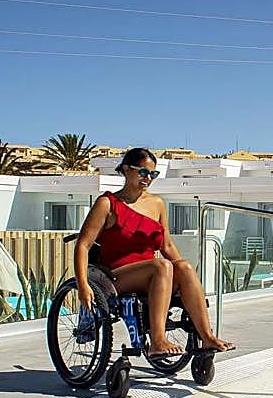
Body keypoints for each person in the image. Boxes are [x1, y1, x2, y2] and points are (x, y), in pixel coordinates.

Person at [74, 147, 233, 358]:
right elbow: (83, 245)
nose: (148, 178)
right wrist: (82, 285)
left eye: (153, 174)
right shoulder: (107, 204)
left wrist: (184, 274)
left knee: (182, 266)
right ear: (126, 169)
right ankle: (157, 341)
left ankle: (207, 338)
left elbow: (166, 246)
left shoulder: (157, 203)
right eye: (143, 172)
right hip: (115, 277)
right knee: (162, 265)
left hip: (154, 274)